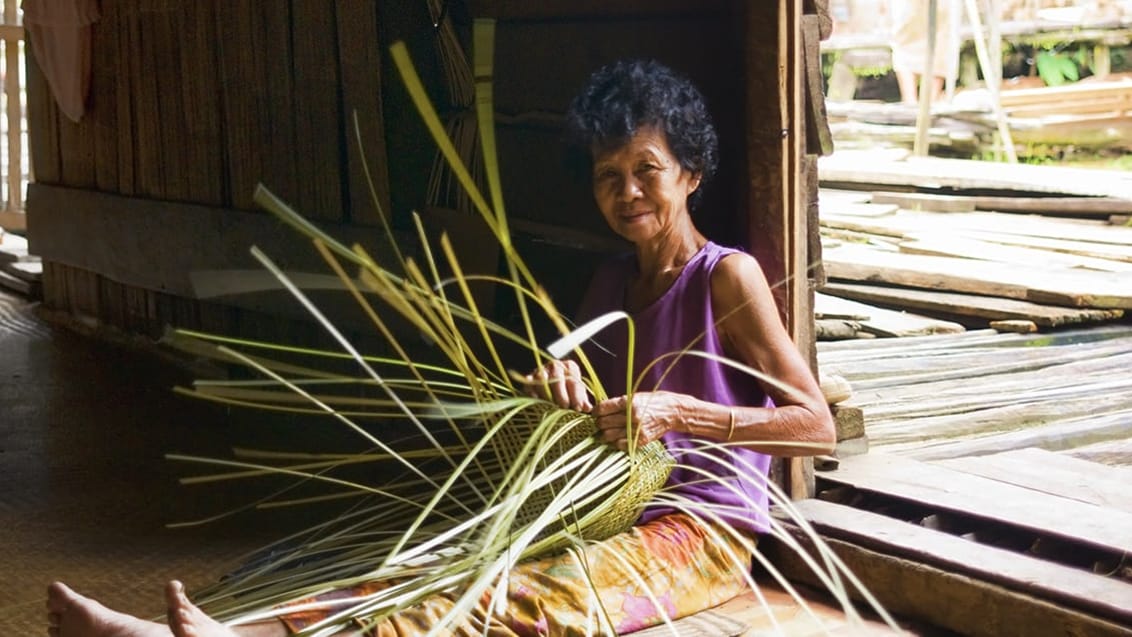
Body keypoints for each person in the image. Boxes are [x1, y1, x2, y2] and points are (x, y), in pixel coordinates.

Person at [46, 59, 835, 637]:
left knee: (524, 594)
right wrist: (551, 385)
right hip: (608, 509)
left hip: (699, 532)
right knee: (432, 562)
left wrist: (682, 412)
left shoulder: (725, 277)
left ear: (690, 174)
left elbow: (815, 425)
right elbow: (596, 416)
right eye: (606, 175)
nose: (627, 191)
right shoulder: (609, 286)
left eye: (646, 170)